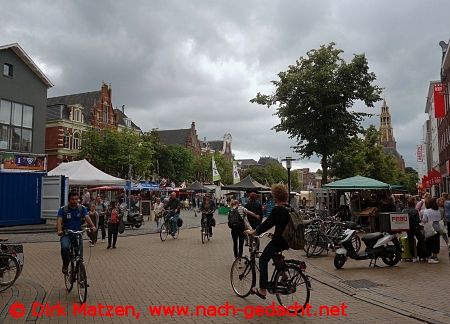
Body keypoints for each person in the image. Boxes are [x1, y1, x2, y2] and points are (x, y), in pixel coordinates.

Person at [245, 184, 290, 300]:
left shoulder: (278, 209)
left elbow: (267, 224)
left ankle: (263, 290)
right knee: (275, 255)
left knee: (263, 260)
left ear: (276, 196)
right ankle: (284, 275)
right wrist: (274, 234)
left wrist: (254, 232)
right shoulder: (289, 208)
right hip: (287, 240)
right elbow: (283, 226)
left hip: (279, 241)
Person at [57, 192, 96, 274]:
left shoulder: (82, 208)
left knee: (80, 257)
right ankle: (65, 265)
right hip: (66, 234)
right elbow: (59, 220)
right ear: (68, 200)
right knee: (64, 248)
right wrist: (59, 230)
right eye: (72, 199)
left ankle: (81, 278)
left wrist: (93, 226)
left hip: (78, 234)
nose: (75, 201)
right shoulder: (63, 209)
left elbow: (87, 217)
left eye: (76, 199)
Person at [402, 197, 426, 262]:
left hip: (408, 228)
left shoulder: (404, 210)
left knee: (411, 241)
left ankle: (413, 257)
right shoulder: (415, 211)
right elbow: (418, 220)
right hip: (416, 227)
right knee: (421, 240)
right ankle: (422, 255)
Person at [422, 198, 441, 263]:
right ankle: (435, 256)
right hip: (437, 228)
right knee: (436, 243)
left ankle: (429, 257)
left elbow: (424, 220)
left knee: (429, 243)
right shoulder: (438, 210)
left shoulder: (426, 211)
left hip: (429, 229)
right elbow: (440, 218)